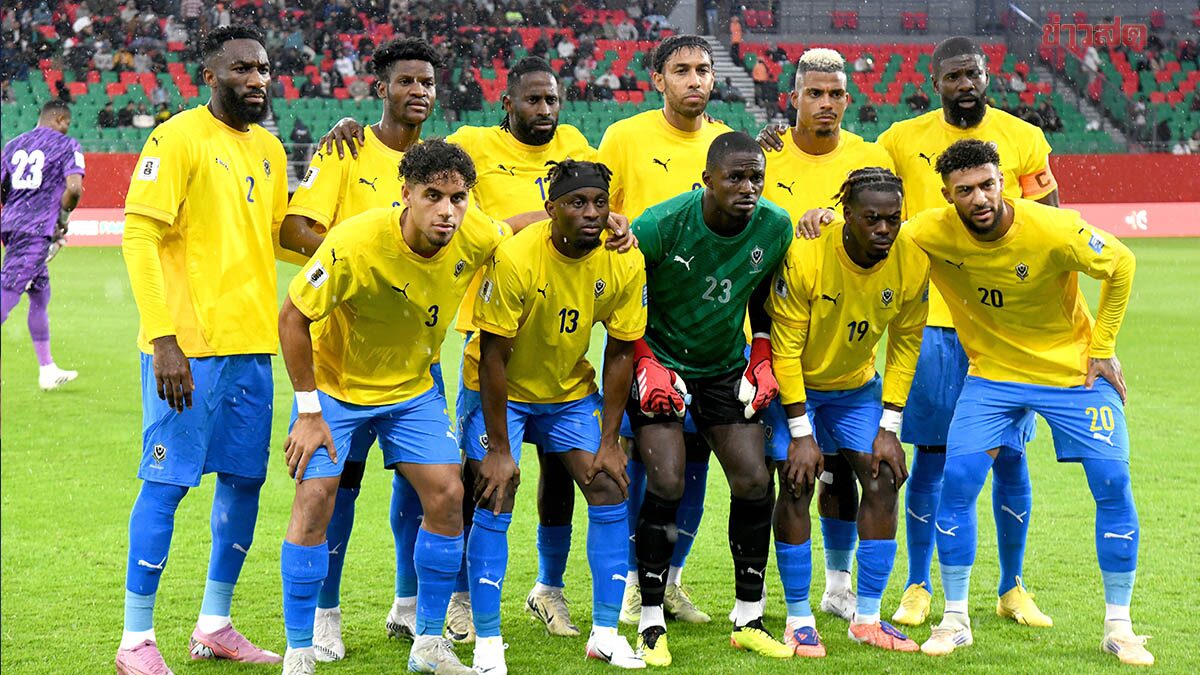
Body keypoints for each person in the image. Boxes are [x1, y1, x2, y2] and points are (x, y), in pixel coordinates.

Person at [907, 139, 1150, 667]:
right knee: (958, 480)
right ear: (947, 195)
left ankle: (1120, 627)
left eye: (987, 185)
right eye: (964, 190)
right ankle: (955, 620)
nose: (979, 198)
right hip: (993, 376)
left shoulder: (1052, 229)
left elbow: (1122, 263)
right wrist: (821, 219)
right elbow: (872, 234)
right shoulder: (928, 231)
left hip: (1072, 372)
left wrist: (1103, 345)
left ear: (1004, 183)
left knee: (1113, 482)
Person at [277, 139, 501, 675]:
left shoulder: (476, 233)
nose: (447, 211)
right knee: (316, 498)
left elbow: (518, 230)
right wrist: (308, 411)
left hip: (411, 391)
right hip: (337, 390)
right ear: (406, 194)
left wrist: (605, 223)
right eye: (433, 196)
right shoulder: (354, 243)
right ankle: (300, 649)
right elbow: (292, 317)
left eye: (458, 198)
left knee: (448, 493)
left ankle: (428, 643)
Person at [116, 25, 287, 674]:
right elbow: (139, 235)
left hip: (252, 349)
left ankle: (214, 624)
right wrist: (164, 338)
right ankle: (135, 640)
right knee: (166, 484)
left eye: (263, 68)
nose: (256, 79)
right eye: (241, 68)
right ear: (209, 76)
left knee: (244, 482)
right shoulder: (176, 138)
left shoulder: (269, 147)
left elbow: (279, 234)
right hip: (186, 351)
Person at [874, 36, 1059, 628]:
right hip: (931, 323)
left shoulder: (1024, 137)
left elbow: (1050, 227)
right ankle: (918, 585)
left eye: (973, 73)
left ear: (987, 75)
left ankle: (1012, 587)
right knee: (931, 456)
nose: (965, 84)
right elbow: (868, 201)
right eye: (953, 76)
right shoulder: (899, 140)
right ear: (935, 82)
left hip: (1005, 330)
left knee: (1010, 457)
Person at [279, 38, 444, 664]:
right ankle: (325, 615)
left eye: (427, 82)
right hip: (340, 360)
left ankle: (408, 605)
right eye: (406, 81)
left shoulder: (438, 163)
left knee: (422, 487)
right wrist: (361, 266)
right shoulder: (345, 149)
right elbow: (294, 227)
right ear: (382, 88)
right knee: (335, 491)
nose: (418, 91)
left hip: (415, 358)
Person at [464, 160, 646, 672]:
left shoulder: (624, 260)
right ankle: (487, 644)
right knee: (495, 488)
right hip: (500, 391)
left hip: (568, 393)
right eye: (576, 203)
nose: (591, 213)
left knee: (608, 483)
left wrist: (609, 441)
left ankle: (605, 635)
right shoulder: (517, 257)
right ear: (551, 209)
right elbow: (492, 355)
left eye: (599, 203)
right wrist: (500, 451)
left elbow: (620, 350)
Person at [626, 132, 793, 666]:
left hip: (723, 366)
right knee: (667, 481)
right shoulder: (660, 224)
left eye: (756, 178)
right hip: (661, 360)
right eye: (735, 177)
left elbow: (763, 291)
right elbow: (626, 294)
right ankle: (650, 621)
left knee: (754, 480)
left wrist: (761, 351)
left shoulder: (775, 226)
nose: (748, 188)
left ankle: (748, 618)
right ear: (707, 181)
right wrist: (644, 359)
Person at [755, 47, 896, 625]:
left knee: (843, 471)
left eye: (836, 93)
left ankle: (841, 589)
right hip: (771, 336)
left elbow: (889, 222)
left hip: (845, 343)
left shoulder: (870, 155)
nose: (826, 103)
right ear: (792, 98)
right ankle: (763, 596)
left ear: (848, 98)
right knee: (782, 478)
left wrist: (835, 221)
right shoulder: (767, 154)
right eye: (814, 93)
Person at [598, 34, 733, 628]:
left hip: (709, 328)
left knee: (696, 456)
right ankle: (635, 583)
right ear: (658, 80)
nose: (694, 79)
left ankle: (671, 582)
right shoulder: (625, 137)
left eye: (703, 69)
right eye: (681, 70)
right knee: (643, 455)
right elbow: (600, 212)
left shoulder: (727, 142)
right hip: (643, 326)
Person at [768, 167, 929, 657]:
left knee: (883, 478)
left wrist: (890, 426)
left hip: (856, 390)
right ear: (847, 215)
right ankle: (799, 619)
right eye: (871, 218)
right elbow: (785, 351)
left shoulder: (911, 261)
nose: (884, 229)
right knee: (796, 481)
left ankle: (868, 619)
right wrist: (801, 432)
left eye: (893, 219)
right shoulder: (807, 255)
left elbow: (905, 345)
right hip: (796, 388)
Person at [0, 99, 84, 390]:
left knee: (39, 294)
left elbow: (3, 188)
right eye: (67, 123)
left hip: (12, 225)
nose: (67, 128)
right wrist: (61, 219)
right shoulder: (67, 145)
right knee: (8, 291)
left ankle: (47, 369)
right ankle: (46, 369)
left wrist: (16, 211)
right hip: (35, 230)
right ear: (60, 119)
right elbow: (74, 189)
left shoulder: (13, 145)